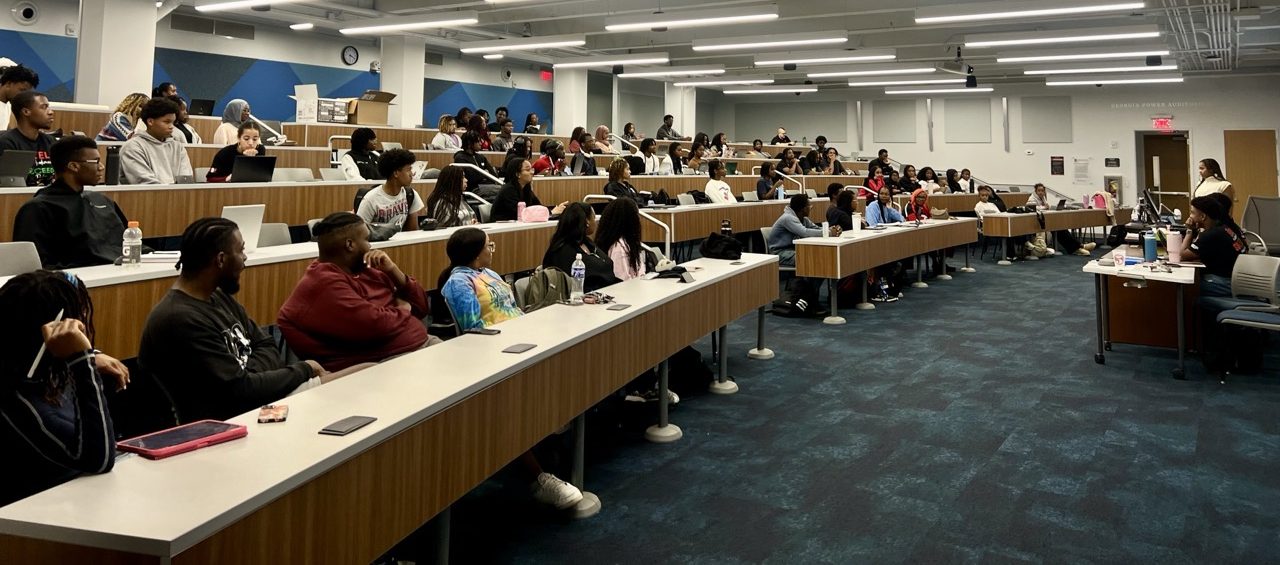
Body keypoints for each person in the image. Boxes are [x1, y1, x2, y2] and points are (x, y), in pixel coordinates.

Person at [433, 227, 584, 509]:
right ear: (476, 253)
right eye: (488, 246)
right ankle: (538, 468)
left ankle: (553, 421)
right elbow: (472, 328)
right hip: (495, 349)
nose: (492, 250)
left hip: (520, 336)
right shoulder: (458, 283)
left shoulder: (489, 274)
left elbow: (514, 309)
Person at [139, 218, 343, 423]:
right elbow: (240, 391)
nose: (245, 259)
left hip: (259, 399)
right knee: (350, 382)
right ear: (221, 259)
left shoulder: (218, 297)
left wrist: (249, 375)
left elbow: (267, 345)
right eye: (241, 250)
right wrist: (304, 369)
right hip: (230, 423)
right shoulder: (179, 319)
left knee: (357, 375)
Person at [0, 271, 119, 507]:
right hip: (30, 518)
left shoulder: (45, 374)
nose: (82, 325)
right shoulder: (15, 398)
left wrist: (91, 357)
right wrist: (82, 361)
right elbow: (99, 459)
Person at [278, 212, 438, 371]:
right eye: (367, 239)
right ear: (350, 245)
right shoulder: (323, 282)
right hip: (381, 363)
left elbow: (421, 307)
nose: (370, 246)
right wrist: (403, 309)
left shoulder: (368, 269)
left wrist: (393, 270)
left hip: (417, 346)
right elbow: (375, 324)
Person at [14, 136, 128, 268]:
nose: (101, 167)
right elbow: (34, 265)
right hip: (74, 277)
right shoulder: (38, 209)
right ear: (74, 166)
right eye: (96, 161)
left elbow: (130, 243)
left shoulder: (102, 200)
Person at [1179, 193, 1246, 297]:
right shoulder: (1223, 228)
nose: (1190, 216)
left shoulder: (1211, 235)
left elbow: (1182, 255)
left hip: (1226, 283)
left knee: (1184, 288)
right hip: (1237, 280)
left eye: (1192, 213)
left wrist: (1190, 230)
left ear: (1203, 216)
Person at [542, 202, 619, 292]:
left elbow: (606, 264)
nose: (595, 222)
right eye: (593, 218)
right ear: (587, 221)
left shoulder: (586, 242)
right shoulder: (563, 251)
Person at [119, 97, 194, 185]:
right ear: (150, 122)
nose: (171, 127)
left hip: (176, 193)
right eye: (167, 122)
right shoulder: (132, 147)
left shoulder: (178, 147)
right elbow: (145, 183)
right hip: (149, 193)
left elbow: (185, 180)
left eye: (173, 122)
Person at [356, 149, 424, 231]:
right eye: (408, 170)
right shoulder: (370, 199)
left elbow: (413, 232)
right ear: (396, 173)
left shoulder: (410, 194)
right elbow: (358, 232)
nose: (412, 174)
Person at [0, 90, 55, 186]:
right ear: (26, 112)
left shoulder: (50, 141)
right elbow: (11, 185)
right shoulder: (7, 143)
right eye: (44, 107)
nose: (51, 112)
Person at [766, 194, 837, 267]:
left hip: (793, 250)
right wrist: (829, 233)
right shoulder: (788, 218)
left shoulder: (803, 219)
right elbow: (804, 232)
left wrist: (831, 229)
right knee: (811, 258)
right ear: (803, 209)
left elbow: (816, 228)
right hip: (780, 252)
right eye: (809, 205)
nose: (811, 207)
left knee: (818, 254)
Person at [1028, 183, 1096, 256]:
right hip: (1037, 223)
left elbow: (1046, 207)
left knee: (1061, 228)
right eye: (1039, 191)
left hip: (1045, 221)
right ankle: (1080, 247)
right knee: (1059, 229)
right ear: (1035, 191)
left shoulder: (1043, 198)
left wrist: (1047, 207)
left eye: (1042, 191)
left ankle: (1079, 247)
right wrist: (1045, 207)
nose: (1041, 192)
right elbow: (1034, 208)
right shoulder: (1032, 199)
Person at [492, 157, 567, 221]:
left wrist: (554, 209)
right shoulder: (508, 190)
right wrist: (551, 212)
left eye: (532, 169)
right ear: (518, 174)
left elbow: (538, 206)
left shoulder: (526, 188)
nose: (532, 172)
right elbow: (522, 214)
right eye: (528, 170)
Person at [595, 198, 648, 280]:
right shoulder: (618, 248)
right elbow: (622, 280)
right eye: (636, 215)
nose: (639, 220)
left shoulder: (628, 243)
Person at [0, 64, 38, 137]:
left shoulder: (8, 105)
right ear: (8, 84)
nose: (24, 96)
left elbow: (4, 131)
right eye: (22, 90)